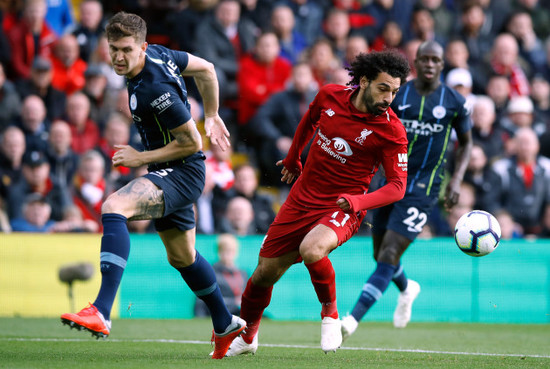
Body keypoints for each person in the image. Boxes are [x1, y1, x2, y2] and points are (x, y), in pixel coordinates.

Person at [59, 12, 244, 360]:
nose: (118, 57)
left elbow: (192, 143)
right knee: (183, 257)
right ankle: (224, 323)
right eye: (113, 48)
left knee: (114, 206)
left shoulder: (153, 89)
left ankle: (101, 310)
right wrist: (213, 113)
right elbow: (206, 69)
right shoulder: (160, 54)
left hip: (181, 171)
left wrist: (140, 157)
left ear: (142, 46)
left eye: (126, 50)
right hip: (172, 170)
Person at [226, 49, 411, 356]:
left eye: (394, 91)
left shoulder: (391, 131)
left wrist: (357, 201)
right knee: (263, 274)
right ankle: (247, 338)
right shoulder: (329, 96)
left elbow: (397, 187)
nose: (388, 98)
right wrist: (293, 156)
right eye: (383, 88)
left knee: (312, 249)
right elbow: (309, 120)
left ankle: (330, 316)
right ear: (364, 81)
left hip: (342, 207)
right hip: (301, 198)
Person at [340, 40, 473, 339]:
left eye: (434, 60)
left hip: (424, 188)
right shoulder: (400, 95)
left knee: (389, 252)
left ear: (442, 65)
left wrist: (455, 180)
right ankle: (407, 287)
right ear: (416, 62)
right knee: (380, 254)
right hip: (389, 180)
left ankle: (351, 319)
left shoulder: (454, 102)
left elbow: (466, 144)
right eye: (423, 59)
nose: (429, 64)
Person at [195, 233, 248, 317]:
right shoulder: (211, 273)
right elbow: (201, 302)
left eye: (231, 251)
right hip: (218, 314)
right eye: (224, 250)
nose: (228, 254)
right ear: (219, 252)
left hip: (238, 314)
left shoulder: (242, 274)